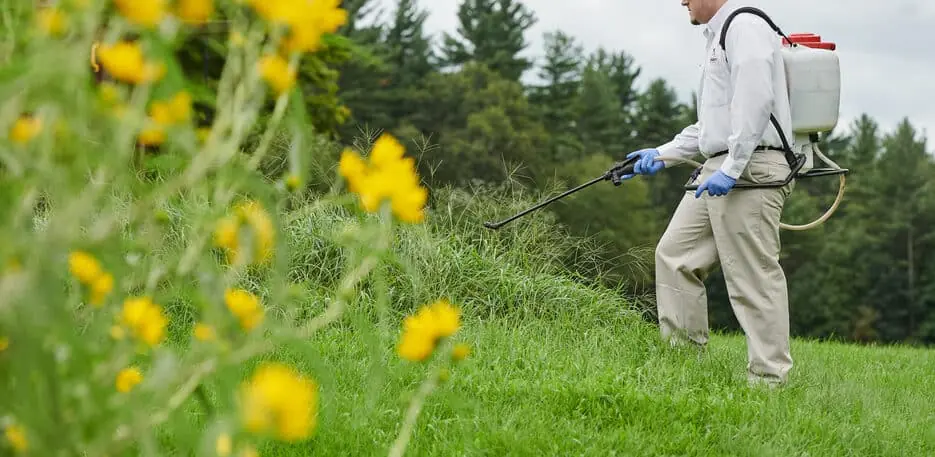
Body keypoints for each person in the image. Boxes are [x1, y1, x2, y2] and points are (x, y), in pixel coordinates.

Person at [621, 0, 796, 388]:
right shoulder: (719, 35)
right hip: (720, 166)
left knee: (753, 276)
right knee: (676, 256)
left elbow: (756, 103)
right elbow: (714, 125)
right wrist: (662, 154)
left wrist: (731, 169)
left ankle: (770, 383)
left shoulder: (744, 25)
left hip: (752, 167)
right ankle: (684, 369)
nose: (681, 1)